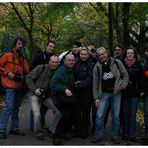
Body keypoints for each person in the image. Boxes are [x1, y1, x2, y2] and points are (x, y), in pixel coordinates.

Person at [91, 47, 129, 144]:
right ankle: (98, 135)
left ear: (107, 53)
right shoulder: (97, 66)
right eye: (99, 55)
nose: (101, 56)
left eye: (103, 54)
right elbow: (95, 84)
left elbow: (125, 75)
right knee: (99, 115)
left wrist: (122, 86)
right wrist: (96, 97)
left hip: (116, 93)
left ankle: (115, 136)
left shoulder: (116, 62)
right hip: (103, 93)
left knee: (116, 116)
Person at [26, 55, 61, 140]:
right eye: (52, 62)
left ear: (58, 63)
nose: (54, 64)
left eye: (56, 62)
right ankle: (38, 133)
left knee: (58, 112)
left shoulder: (59, 71)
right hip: (34, 94)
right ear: (49, 62)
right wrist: (35, 90)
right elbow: (28, 77)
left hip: (46, 96)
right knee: (37, 114)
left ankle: (51, 130)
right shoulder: (41, 67)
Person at [0, 36, 29, 139]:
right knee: (8, 107)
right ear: (15, 44)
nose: (20, 46)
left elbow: (28, 71)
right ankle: (1, 130)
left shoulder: (22, 58)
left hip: (19, 86)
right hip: (9, 86)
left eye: (22, 44)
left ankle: (14, 128)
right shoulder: (7, 55)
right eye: (19, 44)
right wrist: (8, 73)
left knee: (16, 108)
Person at [50, 54, 80, 145]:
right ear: (65, 61)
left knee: (74, 114)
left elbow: (68, 82)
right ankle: (56, 136)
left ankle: (63, 132)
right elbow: (53, 85)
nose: (71, 62)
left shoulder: (70, 70)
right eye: (69, 60)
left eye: (72, 60)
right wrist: (64, 89)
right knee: (65, 116)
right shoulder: (60, 71)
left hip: (67, 98)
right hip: (59, 98)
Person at [29, 39, 56, 132]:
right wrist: (35, 86)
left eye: (53, 47)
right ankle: (33, 126)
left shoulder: (53, 58)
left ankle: (41, 123)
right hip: (37, 85)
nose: (51, 48)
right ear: (46, 46)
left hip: (46, 89)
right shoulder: (39, 57)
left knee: (44, 108)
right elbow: (31, 70)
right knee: (35, 109)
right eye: (50, 46)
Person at [122, 47, 144, 142]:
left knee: (132, 114)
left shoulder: (138, 64)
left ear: (134, 54)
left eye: (131, 53)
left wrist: (142, 90)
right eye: (128, 53)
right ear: (125, 54)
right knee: (125, 114)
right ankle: (125, 133)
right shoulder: (122, 64)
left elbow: (142, 78)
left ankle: (132, 135)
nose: (130, 55)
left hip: (135, 93)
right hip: (124, 92)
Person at [74, 47, 94, 139]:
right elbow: (73, 75)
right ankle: (77, 131)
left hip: (87, 93)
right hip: (77, 93)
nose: (83, 56)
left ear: (88, 55)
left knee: (86, 113)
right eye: (81, 54)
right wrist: (76, 84)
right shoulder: (76, 62)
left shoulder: (91, 64)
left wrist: (79, 84)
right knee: (77, 113)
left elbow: (90, 79)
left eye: (85, 54)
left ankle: (84, 132)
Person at [140, 44, 148, 141]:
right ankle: (146, 133)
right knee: (146, 113)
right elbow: (141, 77)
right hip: (146, 92)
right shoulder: (142, 62)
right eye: (146, 51)